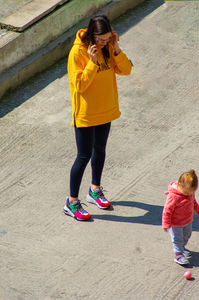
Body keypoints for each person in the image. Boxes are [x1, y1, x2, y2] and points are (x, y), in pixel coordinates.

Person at [63, 14, 132, 221]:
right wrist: (92, 62)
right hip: (86, 114)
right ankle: (72, 202)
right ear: (92, 36)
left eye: (107, 38)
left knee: (100, 150)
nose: (104, 43)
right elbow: (80, 86)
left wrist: (116, 48)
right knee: (83, 156)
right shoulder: (77, 53)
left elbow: (126, 70)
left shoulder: (110, 47)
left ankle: (94, 190)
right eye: (101, 40)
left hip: (106, 109)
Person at [162, 170, 199, 265]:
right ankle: (178, 255)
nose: (188, 194)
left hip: (187, 220)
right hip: (175, 223)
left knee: (187, 235)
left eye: (191, 192)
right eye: (186, 192)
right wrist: (166, 223)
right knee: (177, 239)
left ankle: (181, 248)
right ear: (179, 185)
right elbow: (167, 211)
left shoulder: (190, 192)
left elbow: (193, 202)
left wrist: (198, 209)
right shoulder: (174, 196)